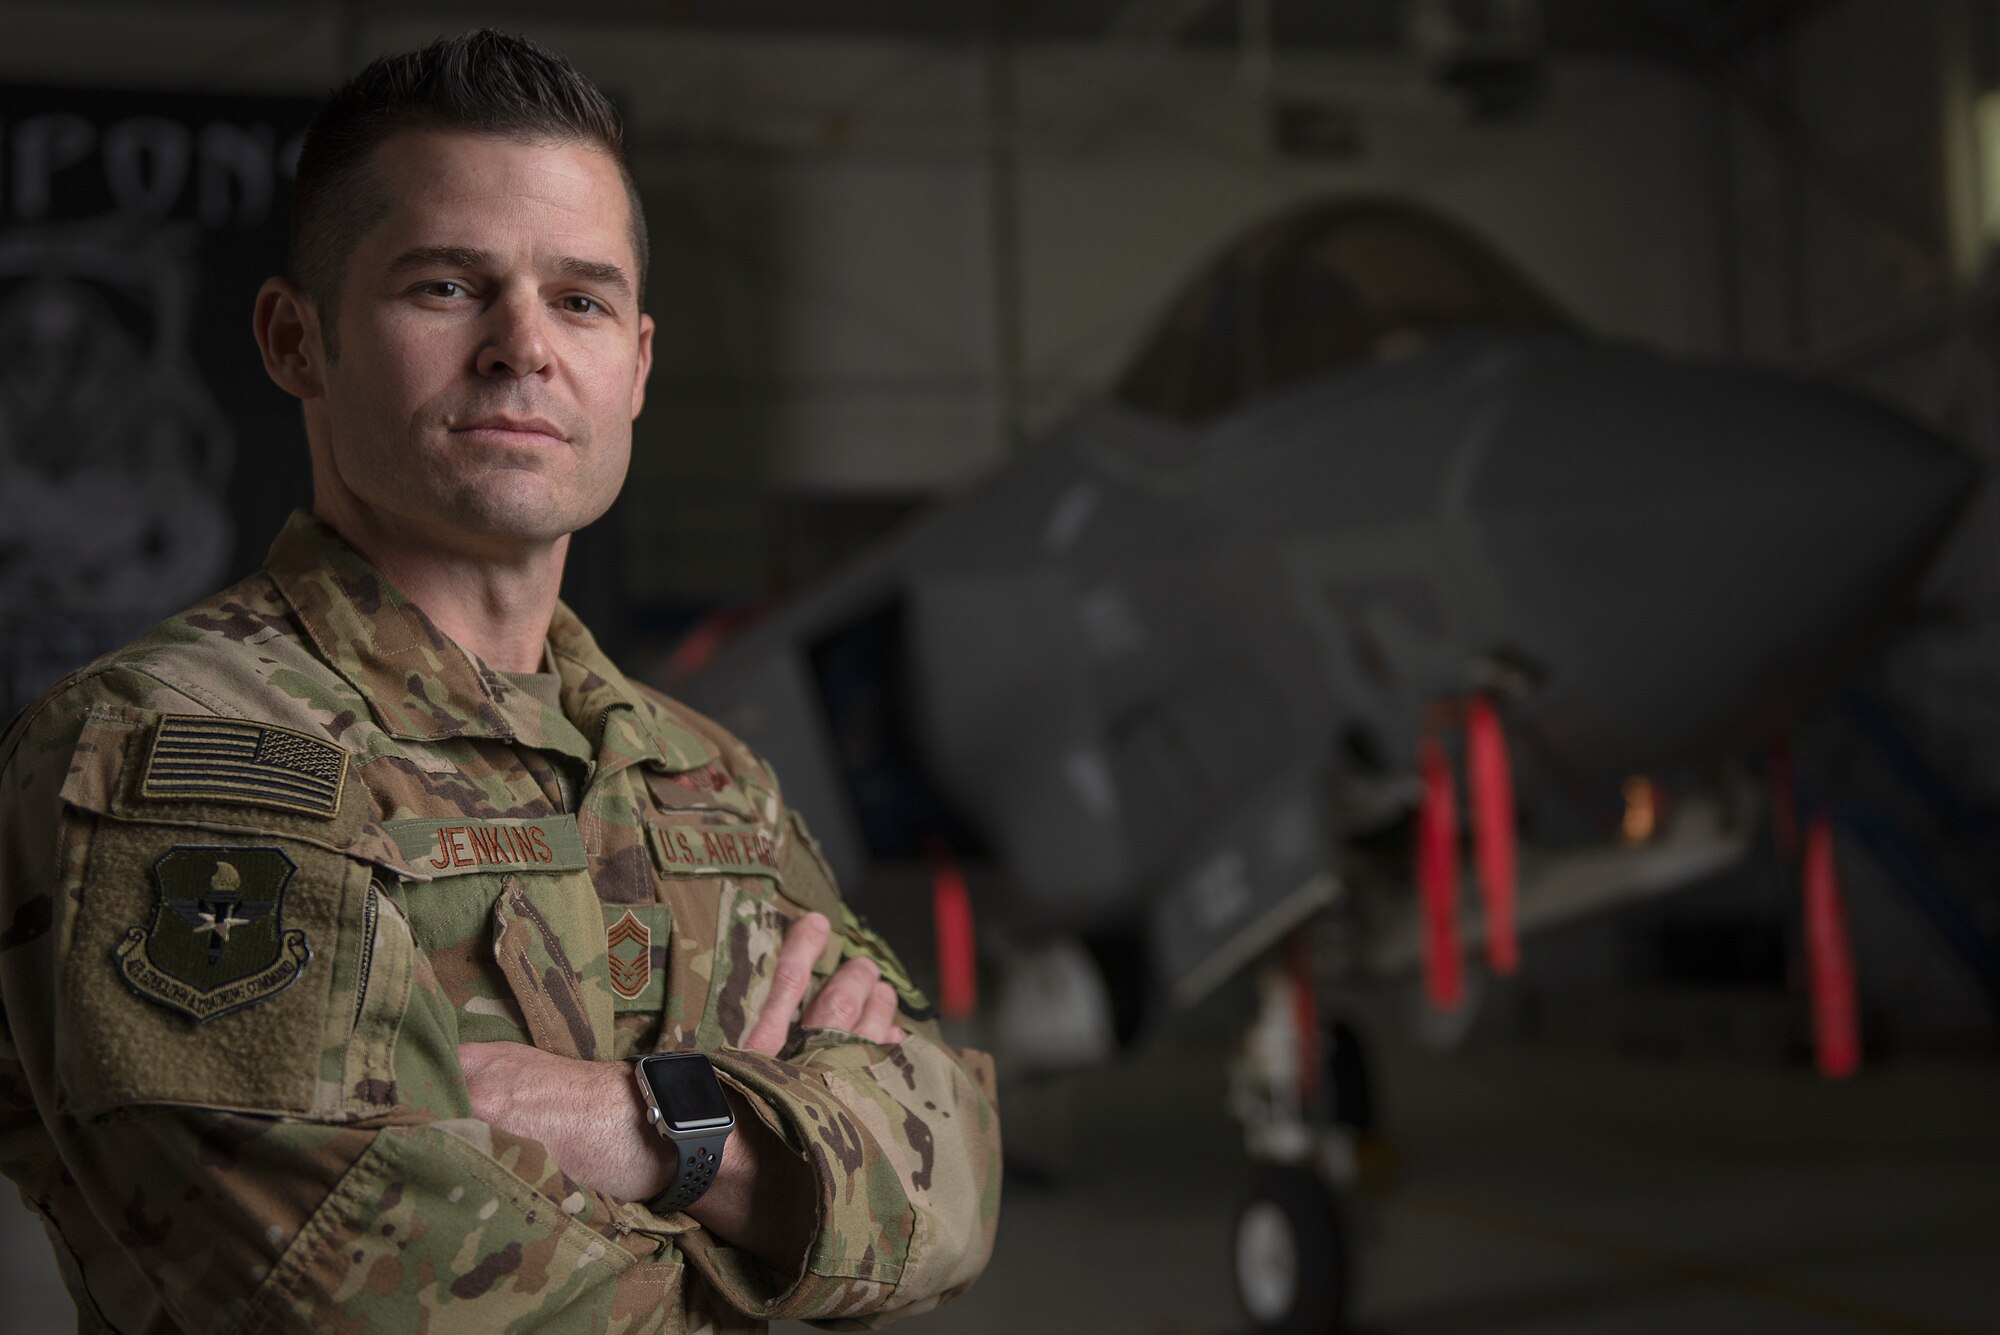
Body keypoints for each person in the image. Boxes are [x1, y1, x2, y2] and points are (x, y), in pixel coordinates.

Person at [0, 30, 999, 1334]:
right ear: (296, 340)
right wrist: (772, 1160)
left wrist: (643, 1128)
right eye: (447, 287)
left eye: (579, 300)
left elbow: (960, 1176)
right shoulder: (167, 754)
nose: (523, 346)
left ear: (635, 365)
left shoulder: (705, 780)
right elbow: (367, 1285)